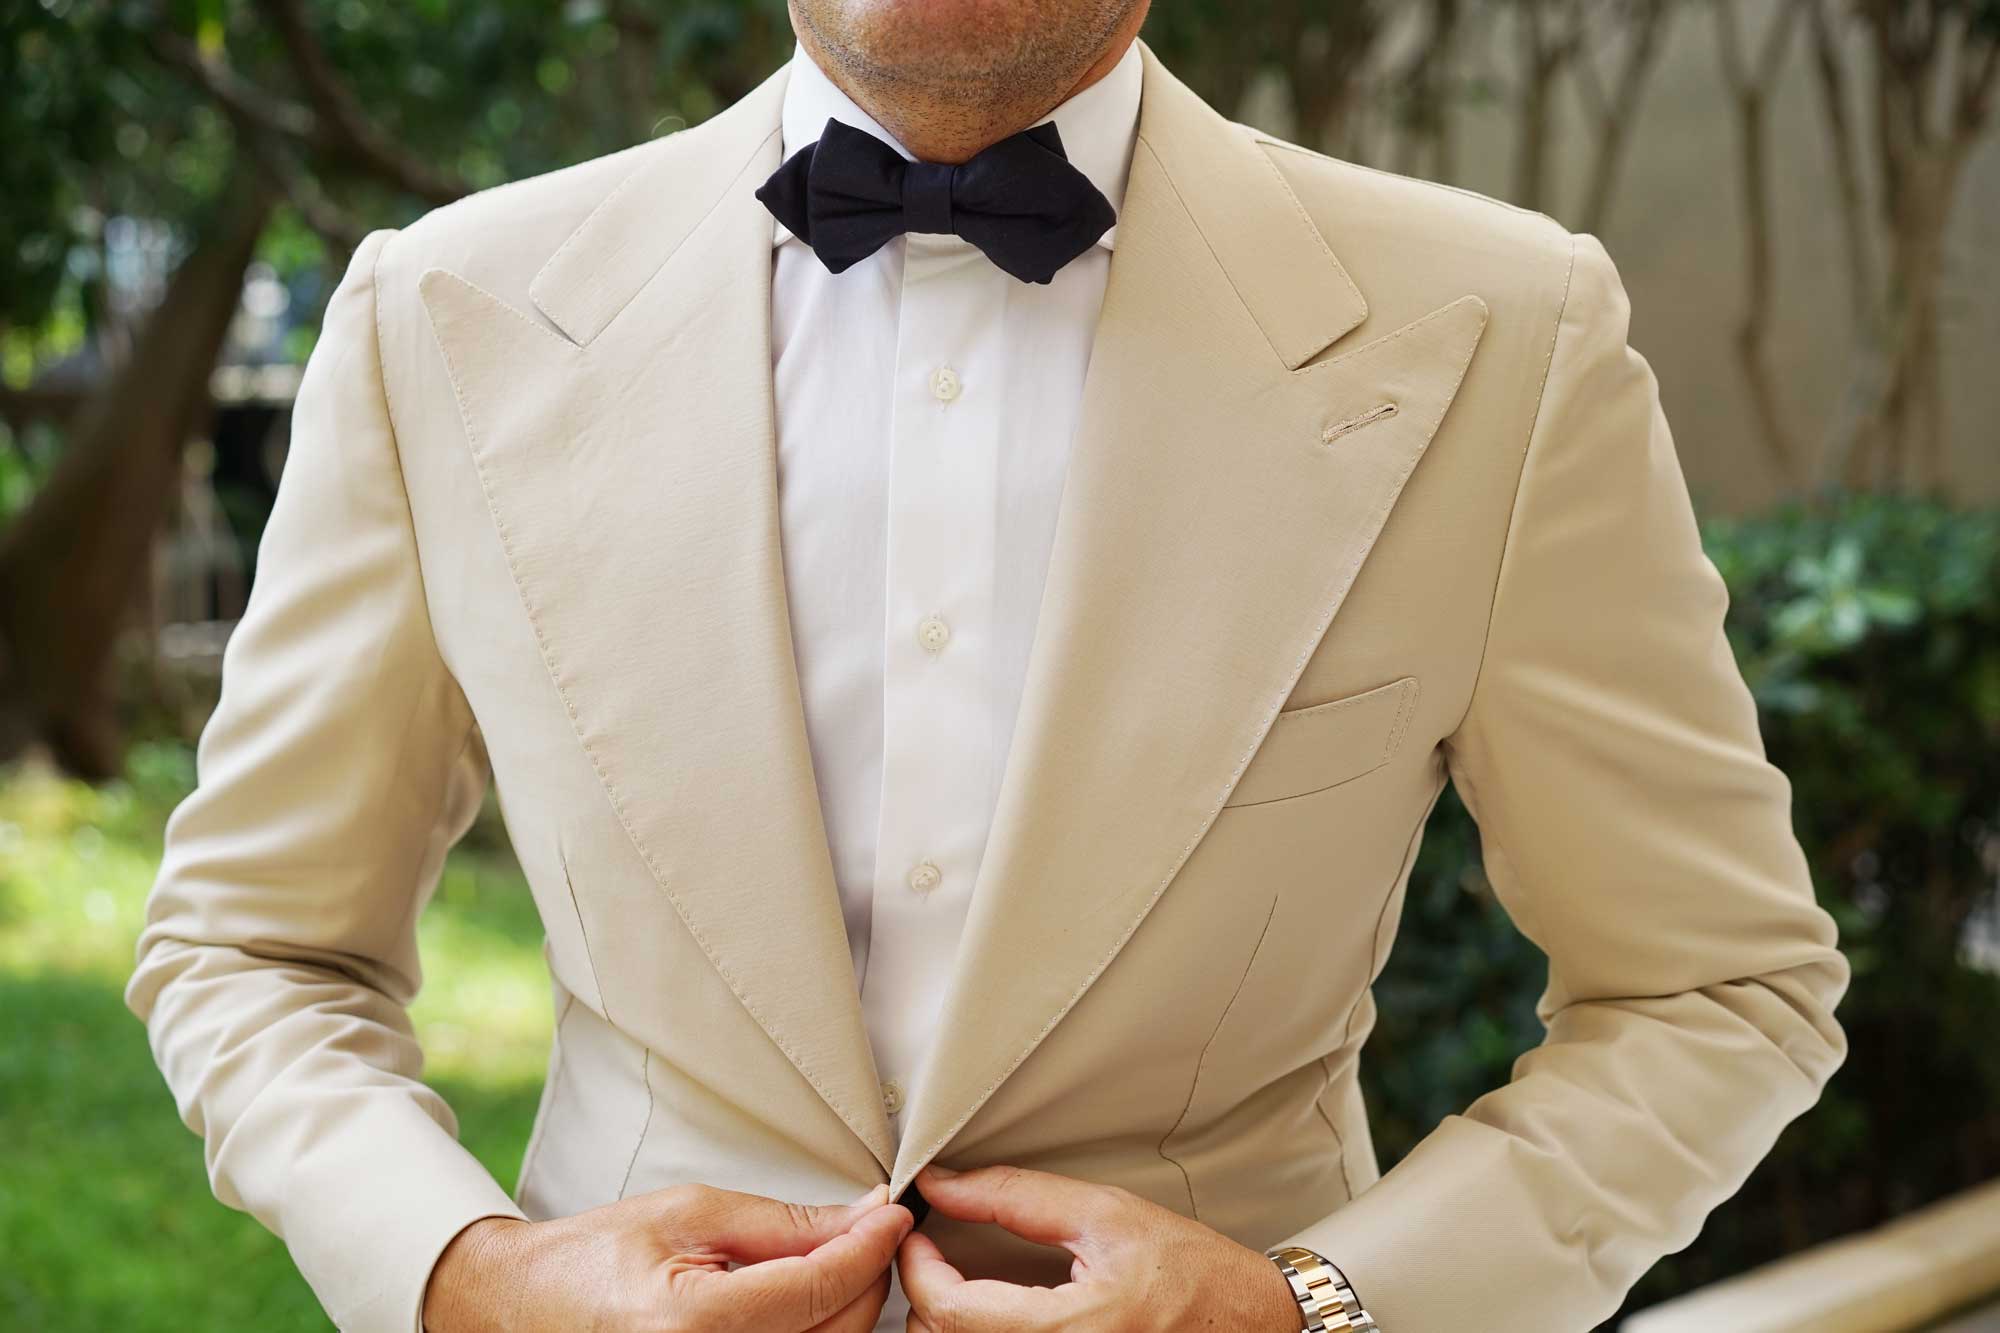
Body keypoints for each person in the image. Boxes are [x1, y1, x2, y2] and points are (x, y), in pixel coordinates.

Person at [125, 1, 1852, 1330]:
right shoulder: (442, 311)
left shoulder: (1509, 334)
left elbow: (1717, 988)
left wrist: (1311, 1302)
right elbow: (256, 945)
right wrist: (467, 1273)